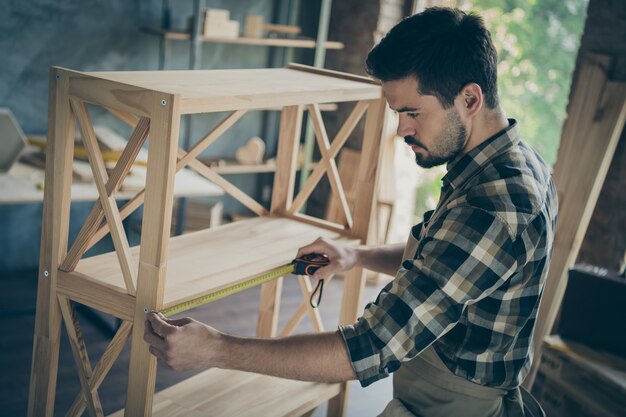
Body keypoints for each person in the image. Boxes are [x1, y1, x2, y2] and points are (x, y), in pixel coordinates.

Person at [144, 7, 557, 417]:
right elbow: (445, 259)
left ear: (470, 98)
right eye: (398, 114)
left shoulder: (494, 206)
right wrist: (356, 256)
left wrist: (218, 349)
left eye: (412, 112)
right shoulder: (507, 163)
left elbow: (372, 346)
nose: (401, 130)